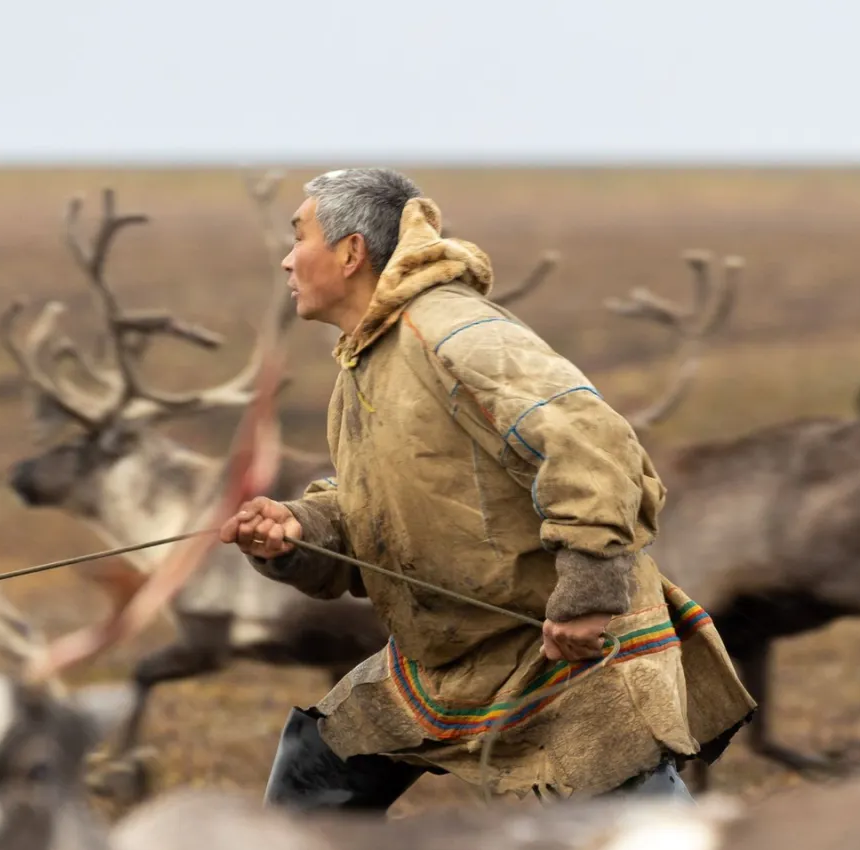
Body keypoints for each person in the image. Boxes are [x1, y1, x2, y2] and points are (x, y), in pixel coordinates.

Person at [219, 167, 754, 812]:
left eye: (299, 237)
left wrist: (588, 593)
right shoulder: (366, 363)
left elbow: (594, 445)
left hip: (559, 649)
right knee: (315, 775)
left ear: (351, 252)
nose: (287, 260)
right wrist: (300, 532)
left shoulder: (457, 333)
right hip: (452, 660)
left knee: (645, 844)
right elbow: (383, 511)